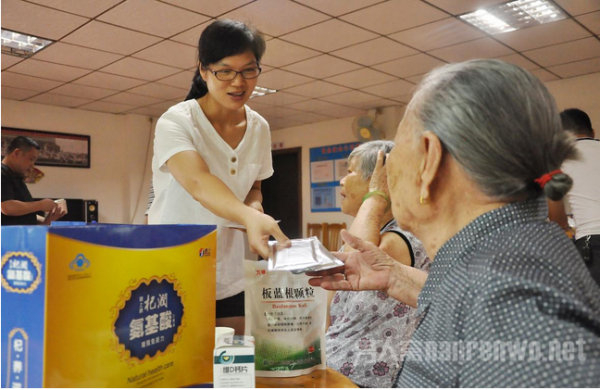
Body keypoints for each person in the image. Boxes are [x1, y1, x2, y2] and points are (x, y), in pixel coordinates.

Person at [308, 60, 600, 387]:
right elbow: (471, 305)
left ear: (429, 160)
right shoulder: (506, 252)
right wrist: (395, 276)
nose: (386, 175)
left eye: (396, 153)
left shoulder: (514, 304)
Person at [148, 20, 289, 335]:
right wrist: (248, 216)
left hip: (229, 272)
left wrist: (254, 210)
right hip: (172, 268)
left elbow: (253, 185)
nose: (238, 82)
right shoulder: (177, 121)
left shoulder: (260, 128)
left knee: (231, 364)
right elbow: (198, 182)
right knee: (178, 367)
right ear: (204, 70)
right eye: (225, 71)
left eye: (249, 70)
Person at [327, 140, 430, 387]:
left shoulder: (402, 237)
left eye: (350, 171)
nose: (342, 181)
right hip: (340, 366)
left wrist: (375, 196)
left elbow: (359, 256)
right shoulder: (374, 231)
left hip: (367, 377)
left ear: (381, 180)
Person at [548, 108, 600, 286]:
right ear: (592, 132)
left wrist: (566, 228)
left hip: (592, 246)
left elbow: (555, 217)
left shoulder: (557, 162)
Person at [2, 136, 66, 225]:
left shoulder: (17, 177)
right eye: (31, 159)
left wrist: (48, 219)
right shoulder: (2, 173)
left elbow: (25, 213)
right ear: (17, 153)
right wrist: (40, 205)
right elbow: (7, 207)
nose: (32, 165)